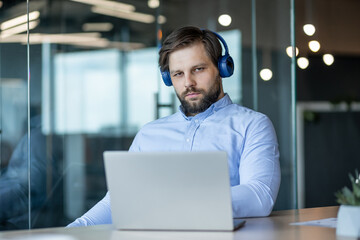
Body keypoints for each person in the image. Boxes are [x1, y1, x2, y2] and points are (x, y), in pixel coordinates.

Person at [67, 26, 281, 227]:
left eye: (198, 69)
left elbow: (259, 195)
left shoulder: (252, 125)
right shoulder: (149, 134)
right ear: (169, 78)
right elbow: (118, 201)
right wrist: (73, 230)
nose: (188, 82)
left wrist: (175, 203)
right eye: (178, 74)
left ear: (222, 68)